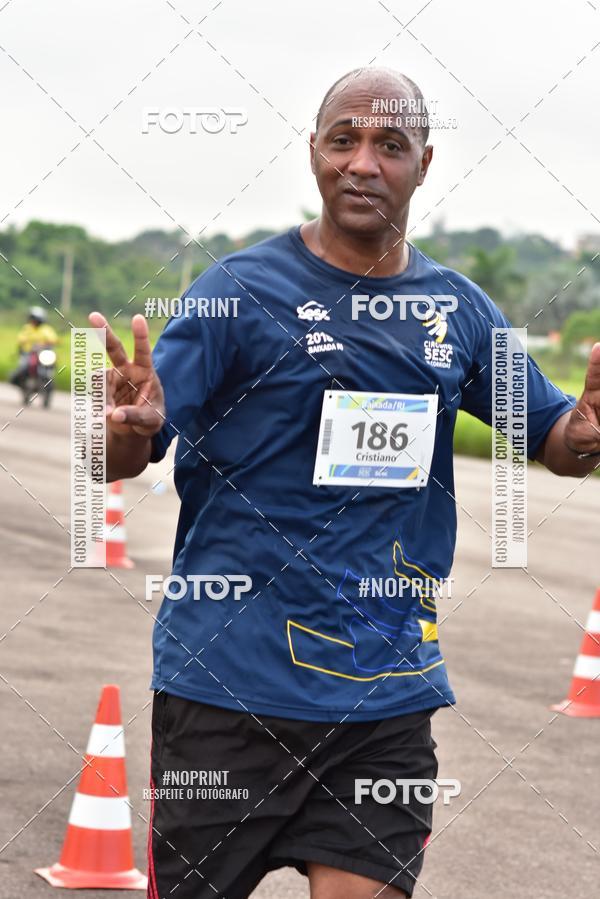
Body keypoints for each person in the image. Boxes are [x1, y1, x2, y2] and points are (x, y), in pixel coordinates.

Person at [90, 67, 600, 899]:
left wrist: (582, 432)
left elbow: (555, 439)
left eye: (389, 145)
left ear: (425, 164)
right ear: (315, 155)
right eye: (344, 140)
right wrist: (120, 431)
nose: (363, 163)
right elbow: (123, 453)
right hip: (228, 690)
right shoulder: (238, 295)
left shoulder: (459, 312)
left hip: (385, 694)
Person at [10, 306, 58, 387]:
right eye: (33, 319)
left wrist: (46, 343)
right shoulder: (27, 328)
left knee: (52, 363)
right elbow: (20, 338)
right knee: (23, 367)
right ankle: (20, 381)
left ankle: (47, 380)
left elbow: (53, 339)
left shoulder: (46, 329)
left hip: (42, 353)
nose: (34, 321)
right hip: (28, 353)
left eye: (36, 319)